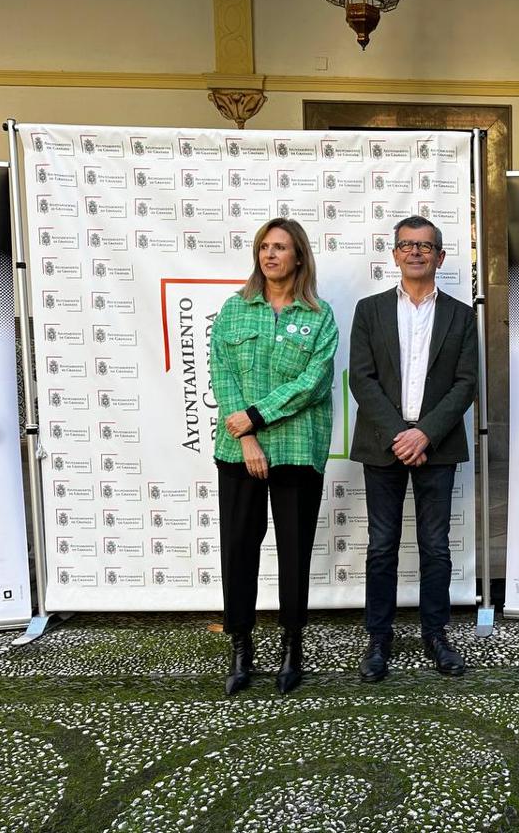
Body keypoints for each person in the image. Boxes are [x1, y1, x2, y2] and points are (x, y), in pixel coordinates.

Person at [210, 217, 338, 695]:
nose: (270, 255)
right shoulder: (234, 310)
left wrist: (257, 417)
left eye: (280, 247)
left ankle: (291, 647)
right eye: (264, 247)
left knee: (293, 552)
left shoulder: (319, 316)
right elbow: (222, 374)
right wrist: (245, 436)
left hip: (298, 450)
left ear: (298, 257)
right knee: (238, 549)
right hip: (238, 450)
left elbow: (314, 382)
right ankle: (241, 648)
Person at [349, 215, 478, 682]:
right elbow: (360, 379)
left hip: (436, 445)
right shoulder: (370, 310)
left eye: (426, 246)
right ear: (395, 254)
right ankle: (378, 639)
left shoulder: (462, 316)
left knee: (435, 546)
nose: (417, 252)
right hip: (383, 443)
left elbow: (465, 385)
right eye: (408, 245)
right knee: (382, 545)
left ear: (441, 256)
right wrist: (399, 435)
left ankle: (436, 634)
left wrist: (424, 433)